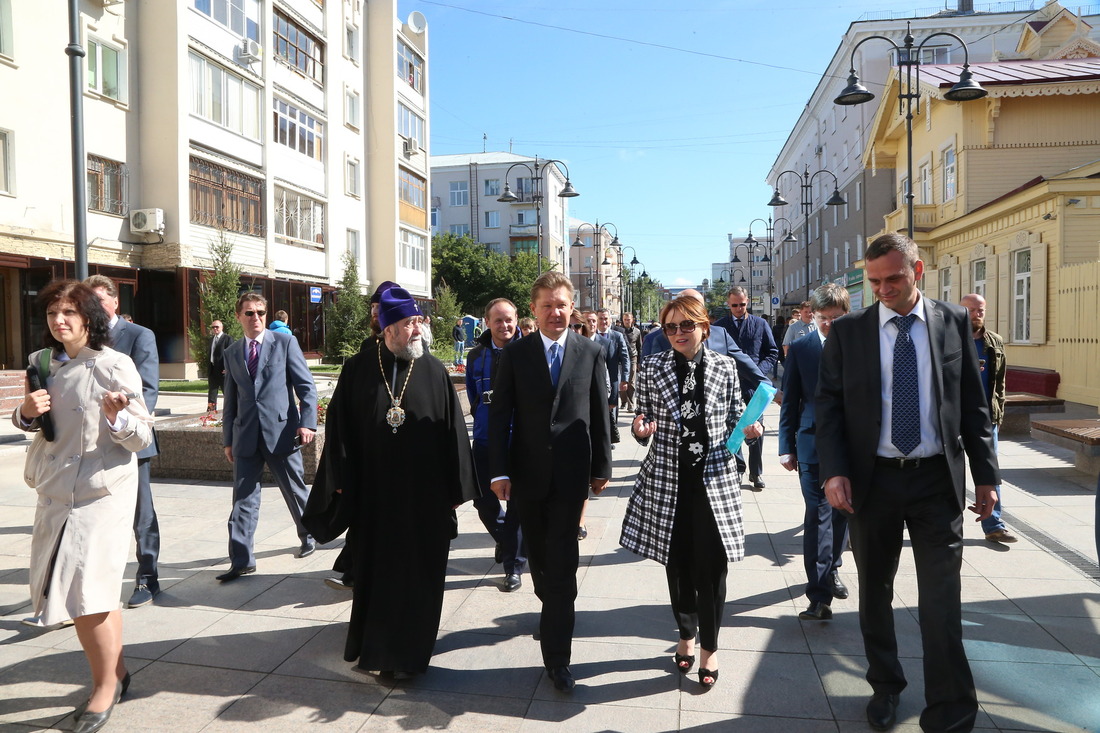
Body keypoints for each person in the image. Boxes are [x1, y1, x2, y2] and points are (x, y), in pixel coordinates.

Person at [817, 233, 999, 733]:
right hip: (871, 484)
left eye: (892, 279)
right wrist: (833, 470)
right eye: (874, 281)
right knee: (875, 594)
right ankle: (885, 687)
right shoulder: (849, 332)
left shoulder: (952, 321)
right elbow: (827, 406)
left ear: (917, 272)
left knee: (942, 600)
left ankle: (950, 709)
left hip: (936, 483)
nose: (882, 289)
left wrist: (986, 477)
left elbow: (972, 406)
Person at [304, 287, 477, 677]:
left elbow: (454, 434)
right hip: (375, 500)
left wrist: (455, 489)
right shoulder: (358, 370)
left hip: (425, 500)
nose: (417, 329)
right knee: (378, 577)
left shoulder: (432, 370)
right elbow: (341, 433)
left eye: (418, 321)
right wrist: (343, 482)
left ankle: (411, 657)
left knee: (421, 579)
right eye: (408, 323)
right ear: (387, 329)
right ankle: (378, 652)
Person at [15, 279, 153, 733]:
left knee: (88, 593)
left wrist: (116, 417)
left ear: (89, 318)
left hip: (101, 493)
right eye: (53, 313)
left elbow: (142, 436)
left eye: (69, 313)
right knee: (88, 593)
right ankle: (116, 672)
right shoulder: (43, 362)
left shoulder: (116, 364)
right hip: (56, 490)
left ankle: (103, 690)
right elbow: (35, 423)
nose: (59, 321)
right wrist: (26, 413)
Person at [621, 295, 760, 690]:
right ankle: (685, 635)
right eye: (671, 327)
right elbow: (642, 417)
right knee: (677, 564)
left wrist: (750, 430)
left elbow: (736, 416)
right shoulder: (652, 366)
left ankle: (709, 648)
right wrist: (640, 430)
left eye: (686, 326)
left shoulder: (725, 367)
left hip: (714, 481)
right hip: (669, 480)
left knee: (713, 568)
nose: (678, 333)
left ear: (704, 328)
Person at [488, 271, 613, 692]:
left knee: (562, 567)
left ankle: (558, 658)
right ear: (534, 310)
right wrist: (499, 471)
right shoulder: (516, 355)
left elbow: (599, 412)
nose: (555, 312)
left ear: (571, 307)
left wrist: (602, 468)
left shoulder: (590, 352)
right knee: (540, 562)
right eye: (547, 305)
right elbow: (500, 415)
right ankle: (550, 606)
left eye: (562, 304)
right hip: (527, 477)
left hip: (572, 476)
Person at [220, 292, 318, 581]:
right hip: (246, 436)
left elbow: (306, 387)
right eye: (249, 313)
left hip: (282, 433)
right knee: (243, 500)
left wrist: (307, 423)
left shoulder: (284, 343)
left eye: (261, 312)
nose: (256, 318)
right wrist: (228, 440)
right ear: (239, 317)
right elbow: (231, 401)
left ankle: (309, 533)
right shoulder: (232, 352)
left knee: (295, 490)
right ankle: (242, 560)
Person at [85, 275, 162, 610]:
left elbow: (146, 391)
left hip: (130, 440)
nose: (96, 308)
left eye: (101, 300)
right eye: (89, 302)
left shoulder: (139, 336)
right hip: (90, 445)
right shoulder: (82, 340)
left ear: (116, 302)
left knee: (140, 513)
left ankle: (148, 578)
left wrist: (117, 420)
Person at [777, 284, 851, 622]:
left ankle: (833, 567)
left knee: (841, 515)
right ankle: (818, 595)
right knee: (817, 517)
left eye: (837, 319)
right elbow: (790, 400)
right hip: (811, 445)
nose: (830, 326)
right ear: (813, 316)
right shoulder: (802, 349)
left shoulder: (863, 346)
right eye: (823, 319)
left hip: (851, 445)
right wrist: (785, 447)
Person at [466, 298, 527, 592]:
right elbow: (473, 396)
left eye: (509, 320)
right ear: (487, 322)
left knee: (518, 504)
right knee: (483, 500)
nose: (504, 326)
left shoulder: (530, 352)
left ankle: (513, 566)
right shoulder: (476, 356)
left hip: (520, 440)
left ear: (517, 320)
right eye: (498, 320)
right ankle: (506, 540)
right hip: (486, 439)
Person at [641, 289, 769, 400]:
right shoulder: (657, 339)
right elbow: (649, 388)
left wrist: (770, 389)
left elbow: (745, 364)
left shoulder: (720, 334)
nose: (678, 332)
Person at [961, 293, 1015, 545]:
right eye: (971, 310)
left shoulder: (994, 342)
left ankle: (994, 526)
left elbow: (1000, 381)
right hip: (952, 417)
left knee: (989, 473)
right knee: (940, 472)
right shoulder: (947, 339)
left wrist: (998, 412)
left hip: (984, 418)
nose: (976, 314)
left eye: (980, 310)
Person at [713, 286, 778, 490]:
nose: (739, 308)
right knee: (733, 428)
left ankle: (756, 472)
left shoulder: (760, 324)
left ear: (747, 302)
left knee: (756, 427)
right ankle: (739, 468)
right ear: (728, 304)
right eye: (734, 305)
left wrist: (758, 372)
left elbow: (772, 352)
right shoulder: (720, 327)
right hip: (729, 385)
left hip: (754, 387)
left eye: (742, 304)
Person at [616, 311, 643, 410]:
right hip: (620, 358)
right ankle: (623, 401)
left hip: (632, 358)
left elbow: (640, 347)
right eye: (625, 319)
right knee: (622, 381)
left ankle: (631, 404)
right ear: (623, 320)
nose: (627, 321)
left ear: (632, 320)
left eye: (629, 319)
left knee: (631, 381)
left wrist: (640, 362)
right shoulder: (618, 331)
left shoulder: (637, 332)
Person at [207, 320, 232, 412]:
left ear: (222, 327)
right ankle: (211, 412)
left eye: (217, 327)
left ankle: (231, 411)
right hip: (212, 370)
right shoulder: (211, 340)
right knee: (212, 394)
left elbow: (231, 355)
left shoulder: (227, 339)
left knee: (227, 393)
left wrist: (227, 368)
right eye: (213, 327)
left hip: (223, 371)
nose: (215, 329)